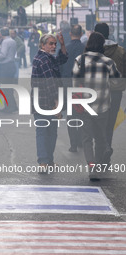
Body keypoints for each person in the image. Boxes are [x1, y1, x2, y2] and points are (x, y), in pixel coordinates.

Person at [72, 32, 120, 181]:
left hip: (85, 106)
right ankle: (100, 161)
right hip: (103, 105)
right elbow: (116, 82)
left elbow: (75, 83)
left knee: (87, 138)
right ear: (102, 45)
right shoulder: (108, 62)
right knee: (100, 137)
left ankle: (92, 167)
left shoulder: (80, 60)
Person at [31, 33, 68, 170]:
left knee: (50, 132)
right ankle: (43, 162)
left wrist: (62, 45)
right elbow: (50, 83)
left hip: (43, 101)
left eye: (55, 44)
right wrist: (56, 104)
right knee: (44, 132)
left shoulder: (47, 57)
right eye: (50, 44)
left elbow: (62, 59)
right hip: (44, 101)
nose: (53, 46)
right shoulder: (44, 60)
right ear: (42, 45)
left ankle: (48, 161)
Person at [94, 23, 126, 160]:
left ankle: (99, 154)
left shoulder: (92, 51)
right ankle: (106, 153)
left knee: (97, 122)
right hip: (115, 92)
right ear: (109, 33)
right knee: (110, 123)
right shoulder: (120, 51)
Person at [59, 24, 86, 153]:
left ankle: (73, 144)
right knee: (81, 112)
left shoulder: (65, 49)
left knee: (70, 113)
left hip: (67, 83)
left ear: (70, 34)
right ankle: (81, 140)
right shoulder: (85, 49)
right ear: (81, 34)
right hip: (81, 83)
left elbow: (59, 66)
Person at [0, 27, 18, 113]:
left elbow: (3, 54)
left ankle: (10, 107)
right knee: (9, 87)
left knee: (6, 87)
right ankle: (12, 105)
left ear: (2, 34)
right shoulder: (12, 41)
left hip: (6, 66)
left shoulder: (5, 42)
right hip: (12, 65)